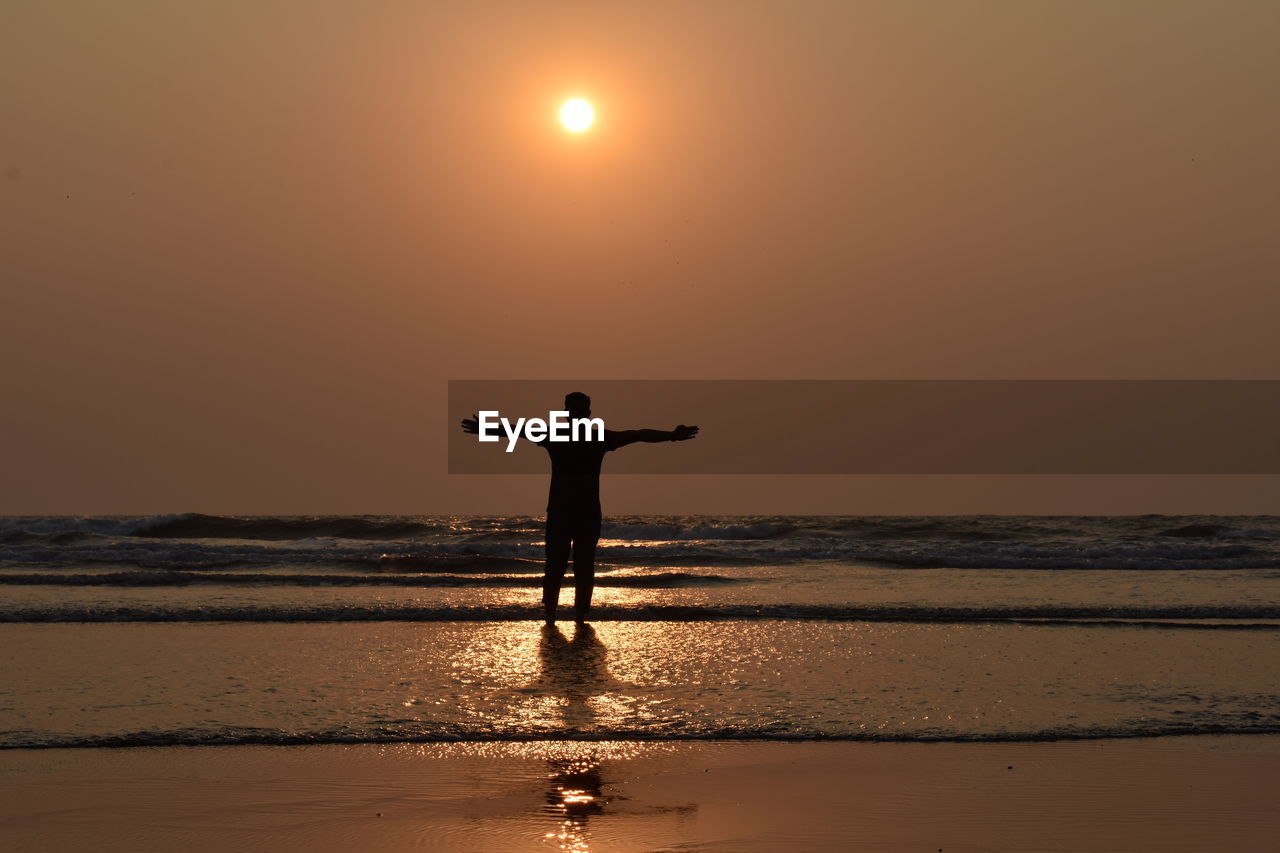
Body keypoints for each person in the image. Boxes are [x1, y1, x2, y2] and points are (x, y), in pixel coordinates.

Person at [461, 392, 698, 624]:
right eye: (572, 410)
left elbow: (638, 435)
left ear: (588, 413)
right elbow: (518, 430)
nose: (576, 414)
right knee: (555, 564)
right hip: (560, 511)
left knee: (584, 564)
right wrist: (486, 428)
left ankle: (581, 616)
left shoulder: (598, 438)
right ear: (566, 413)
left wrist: (671, 436)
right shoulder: (554, 435)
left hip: (587, 512)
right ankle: (551, 616)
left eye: (580, 410)